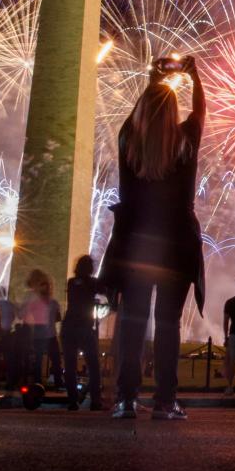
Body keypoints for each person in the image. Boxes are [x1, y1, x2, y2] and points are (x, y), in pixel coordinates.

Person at [99, 54, 206, 421]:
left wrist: (153, 79)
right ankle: (165, 401)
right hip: (176, 248)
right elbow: (200, 113)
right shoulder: (186, 143)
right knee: (168, 325)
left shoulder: (129, 142)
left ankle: (125, 399)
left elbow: (134, 119)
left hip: (137, 246)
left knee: (133, 322)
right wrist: (193, 75)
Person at [62, 255, 105, 411]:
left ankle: (72, 400)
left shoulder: (72, 282)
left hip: (69, 326)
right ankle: (95, 400)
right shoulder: (93, 283)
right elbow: (104, 289)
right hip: (85, 326)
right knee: (93, 365)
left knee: (70, 365)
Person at [20, 269, 63, 391]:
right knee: (51, 360)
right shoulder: (52, 302)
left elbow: (26, 315)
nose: (47, 287)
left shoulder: (44, 302)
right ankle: (53, 383)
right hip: (46, 334)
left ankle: (41, 383)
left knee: (43, 360)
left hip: (42, 333)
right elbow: (57, 318)